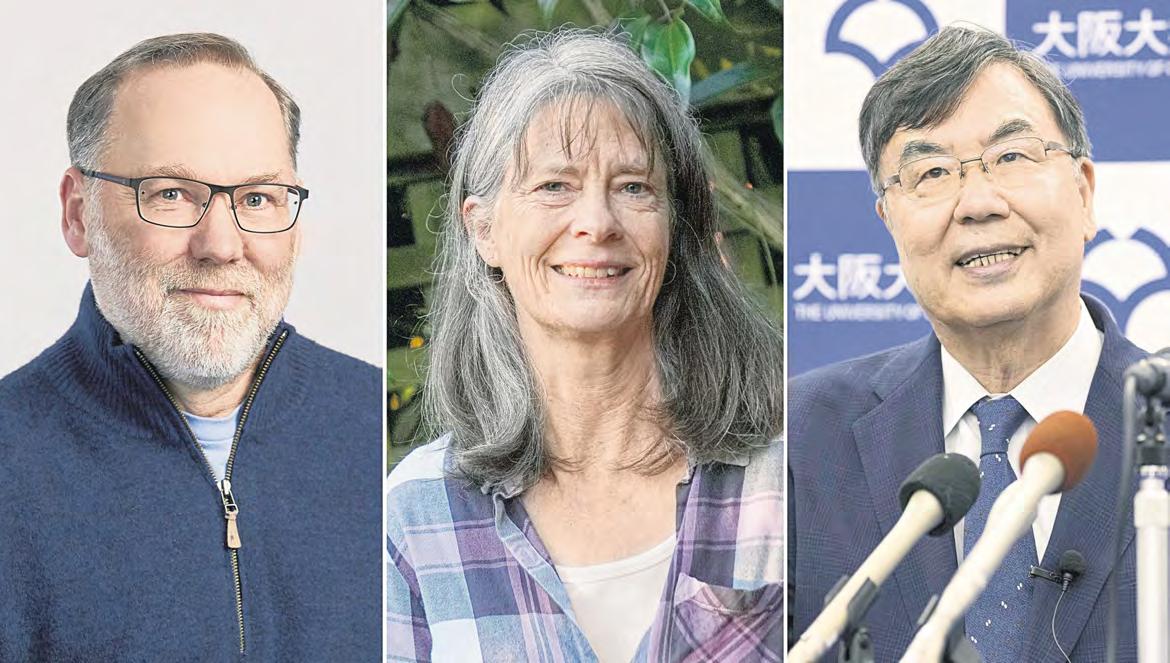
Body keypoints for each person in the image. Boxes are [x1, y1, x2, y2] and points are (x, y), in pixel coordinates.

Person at [386, 30, 785, 662]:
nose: (597, 223)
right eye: (554, 186)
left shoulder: (783, 475)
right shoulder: (417, 512)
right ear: (483, 229)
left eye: (633, 187)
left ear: (675, 223)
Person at [0, 33, 379, 660]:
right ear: (78, 214)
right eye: (171, 193)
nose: (221, 246)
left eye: (257, 198)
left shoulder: (376, 433)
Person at [788, 25, 1146, 662]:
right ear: (889, 221)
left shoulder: (1156, 419)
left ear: (1084, 192)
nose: (977, 203)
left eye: (1011, 157)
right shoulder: (801, 438)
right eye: (930, 173)